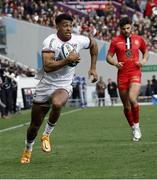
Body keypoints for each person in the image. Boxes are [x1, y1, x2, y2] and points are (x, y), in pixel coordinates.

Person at [20, 13, 98, 164]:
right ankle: (28, 149)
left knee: (57, 104)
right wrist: (67, 60)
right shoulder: (50, 42)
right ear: (57, 26)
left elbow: (94, 44)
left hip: (64, 85)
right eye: (65, 25)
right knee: (34, 126)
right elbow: (48, 67)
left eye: (70, 25)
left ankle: (47, 135)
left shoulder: (78, 40)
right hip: (45, 85)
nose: (68, 28)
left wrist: (93, 68)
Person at [106, 16, 149, 142]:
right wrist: (115, 63)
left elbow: (145, 51)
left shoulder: (139, 39)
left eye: (128, 28)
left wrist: (144, 60)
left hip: (135, 72)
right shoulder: (115, 41)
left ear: (132, 27)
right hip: (122, 75)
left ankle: (137, 126)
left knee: (132, 98)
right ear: (120, 29)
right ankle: (133, 127)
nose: (126, 30)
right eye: (124, 28)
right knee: (126, 106)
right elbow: (109, 56)